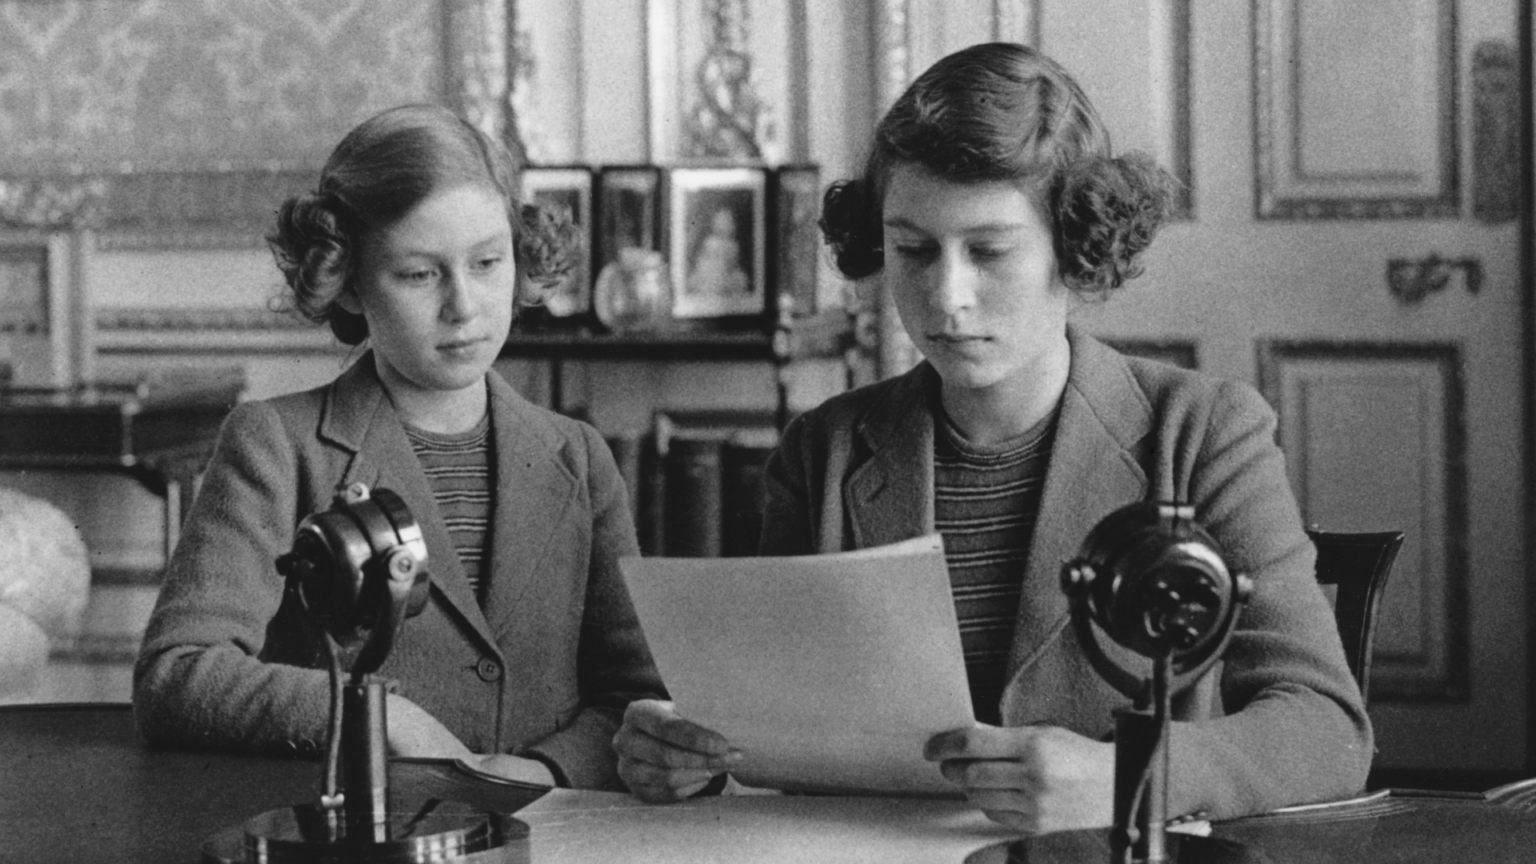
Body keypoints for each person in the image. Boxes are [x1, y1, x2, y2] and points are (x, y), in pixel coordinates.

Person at [611, 43, 1371, 831]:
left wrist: (1131, 777)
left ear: (1076, 249)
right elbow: (769, 730)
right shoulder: (823, 451)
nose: (946, 296)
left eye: (989, 251)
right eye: (912, 250)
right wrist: (687, 755)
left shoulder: (1205, 432)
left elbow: (1324, 727)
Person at [134, 104, 664, 791]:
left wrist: (540, 770)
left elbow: (633, 699)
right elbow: (177, 672)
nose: (465, 306)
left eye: (487, 262)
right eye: (419, 274)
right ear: (348, 280)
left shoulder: (580, 456)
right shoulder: (276, 444)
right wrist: (373, 718)